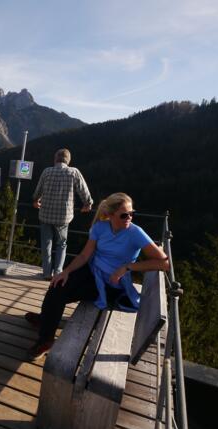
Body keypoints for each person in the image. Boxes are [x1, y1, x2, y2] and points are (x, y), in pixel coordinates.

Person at [25, 193, 170, 360]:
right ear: (110, 215)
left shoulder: (135, 233)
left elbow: (164, 263)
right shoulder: (100, 227)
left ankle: (46, 324)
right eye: (124, 215)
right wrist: (65, 272)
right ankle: (47, 330)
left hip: (110, 284)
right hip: (92, 271)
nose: (129, 218)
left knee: (59, 294)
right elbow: (84, 256)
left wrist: (128, 267)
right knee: (57, 286)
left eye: (131, 213)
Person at [32, 148, 93, 280]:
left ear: (55, 159)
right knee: (61, 244)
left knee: (46, 244)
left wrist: (36, 200)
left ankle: (47, 273)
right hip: (63, 216)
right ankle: (58, 272)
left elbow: (39, 189)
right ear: (68, 160)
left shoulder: (47, 171)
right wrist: (87, 203)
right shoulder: (73, 172)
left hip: (45, 214)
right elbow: (83, 189)